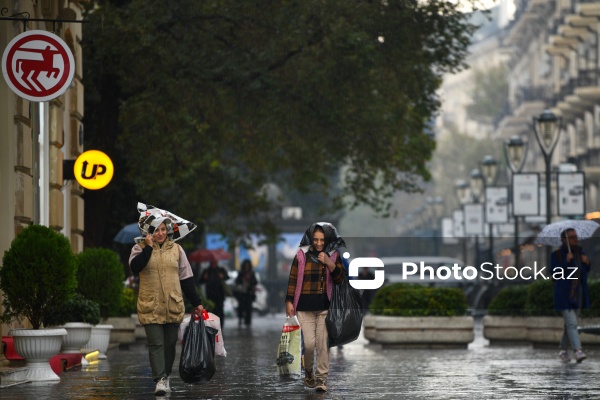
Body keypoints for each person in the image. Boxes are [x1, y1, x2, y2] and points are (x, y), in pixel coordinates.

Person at [129, 216, 204, 396]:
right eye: (156, 230)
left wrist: (197, 303)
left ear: (168, 230)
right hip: (150, 305)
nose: (160, 233)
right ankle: (160, 379)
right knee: (156, 343)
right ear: (149, 232)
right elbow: (135, 267)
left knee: (170, 344)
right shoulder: (139, 248)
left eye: (163, 229)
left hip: (173, 304)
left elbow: (186, 279)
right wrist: (147, 248)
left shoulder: (177, 250)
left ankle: (166, 375)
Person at [285, 222, 346, 393]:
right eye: (316, 240)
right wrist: (289, 301)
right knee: (310, 345)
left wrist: (329, 263)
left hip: (325, 308)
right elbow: (292, 279)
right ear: (311, 239)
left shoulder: (333, 255)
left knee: (322, 343)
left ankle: (321, 379)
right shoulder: (301, 255)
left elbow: (340, 278)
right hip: (304, 308)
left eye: (322, 240)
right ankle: (309, 372)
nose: (319, 243)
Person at [551, 228, 591, 363]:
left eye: (576, 236)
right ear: (564, 240)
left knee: (570, 324)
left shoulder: (580, 252)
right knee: (572, 324)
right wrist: (565, 262)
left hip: (578, 294)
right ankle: (578, 351)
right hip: (564, 295)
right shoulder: (557, 255)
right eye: (572, 237)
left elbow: (583, 272)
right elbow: (554, 273)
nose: (575, 239)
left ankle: (563, 350)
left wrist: (587, 263)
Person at [199, 259, 230, 328]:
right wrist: (204, 278)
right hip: (210, 295)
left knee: (220, 311)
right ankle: (211, 326)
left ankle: (220, 325)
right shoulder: (207, 270)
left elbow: (227, 277)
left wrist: (223, 276)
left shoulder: (220, 270)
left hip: (220, 295)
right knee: (211, 311)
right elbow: (200, 281)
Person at [234, 259, 258, 327]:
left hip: (249, 293)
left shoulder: (251, 273)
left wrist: (250, 281)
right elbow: (237, 282)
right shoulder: (241, 273)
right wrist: (242, 280)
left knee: (248, 308)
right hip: (241, 294)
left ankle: (248, 322)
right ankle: (240, 319)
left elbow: (255, 282)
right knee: (241, 307)